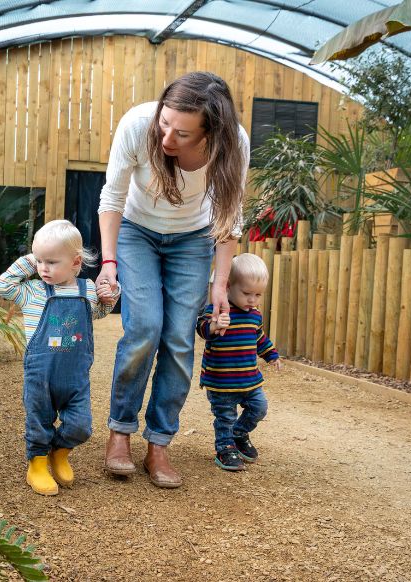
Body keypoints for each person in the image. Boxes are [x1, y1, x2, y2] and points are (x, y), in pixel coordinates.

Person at [96, 72, 249, 488]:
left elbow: (229, 215)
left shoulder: (234, 142)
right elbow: (111, 198)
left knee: (180, 339)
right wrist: (108, 261)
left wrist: (220, 285)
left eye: (182, 133)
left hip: (193, 240)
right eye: (164, 124)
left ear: (210, 131)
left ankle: (159, 444)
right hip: (136, 231)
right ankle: (120, 433)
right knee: (144, 327)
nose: (166, 139)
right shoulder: (136, 125)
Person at [0, 219, 119, 496]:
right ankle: (37, 462)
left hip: (76, 375)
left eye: (51, 262)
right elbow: (4, 286)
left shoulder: (86, 289)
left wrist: (107, 298)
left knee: (81, 426)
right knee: (38, 419)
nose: (43, 268)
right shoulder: (32, 291)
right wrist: (34, 256)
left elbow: (97, 314)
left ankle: (59, 451)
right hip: (40, 374)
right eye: (39, 261)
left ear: (76, 263)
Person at [196, 253, 280, 471]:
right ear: (228, 287)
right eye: (247, 293)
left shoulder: (254, 315)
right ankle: (225, 448)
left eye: (258, 294)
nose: (252, 300)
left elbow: (259, 337)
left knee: (259, 408)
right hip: (221, 380)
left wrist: (271, 355)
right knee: (225, 416)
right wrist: (214, 326)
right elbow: (202, 329)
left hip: (249, 379)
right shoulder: (218, 310)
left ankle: (239, 433)